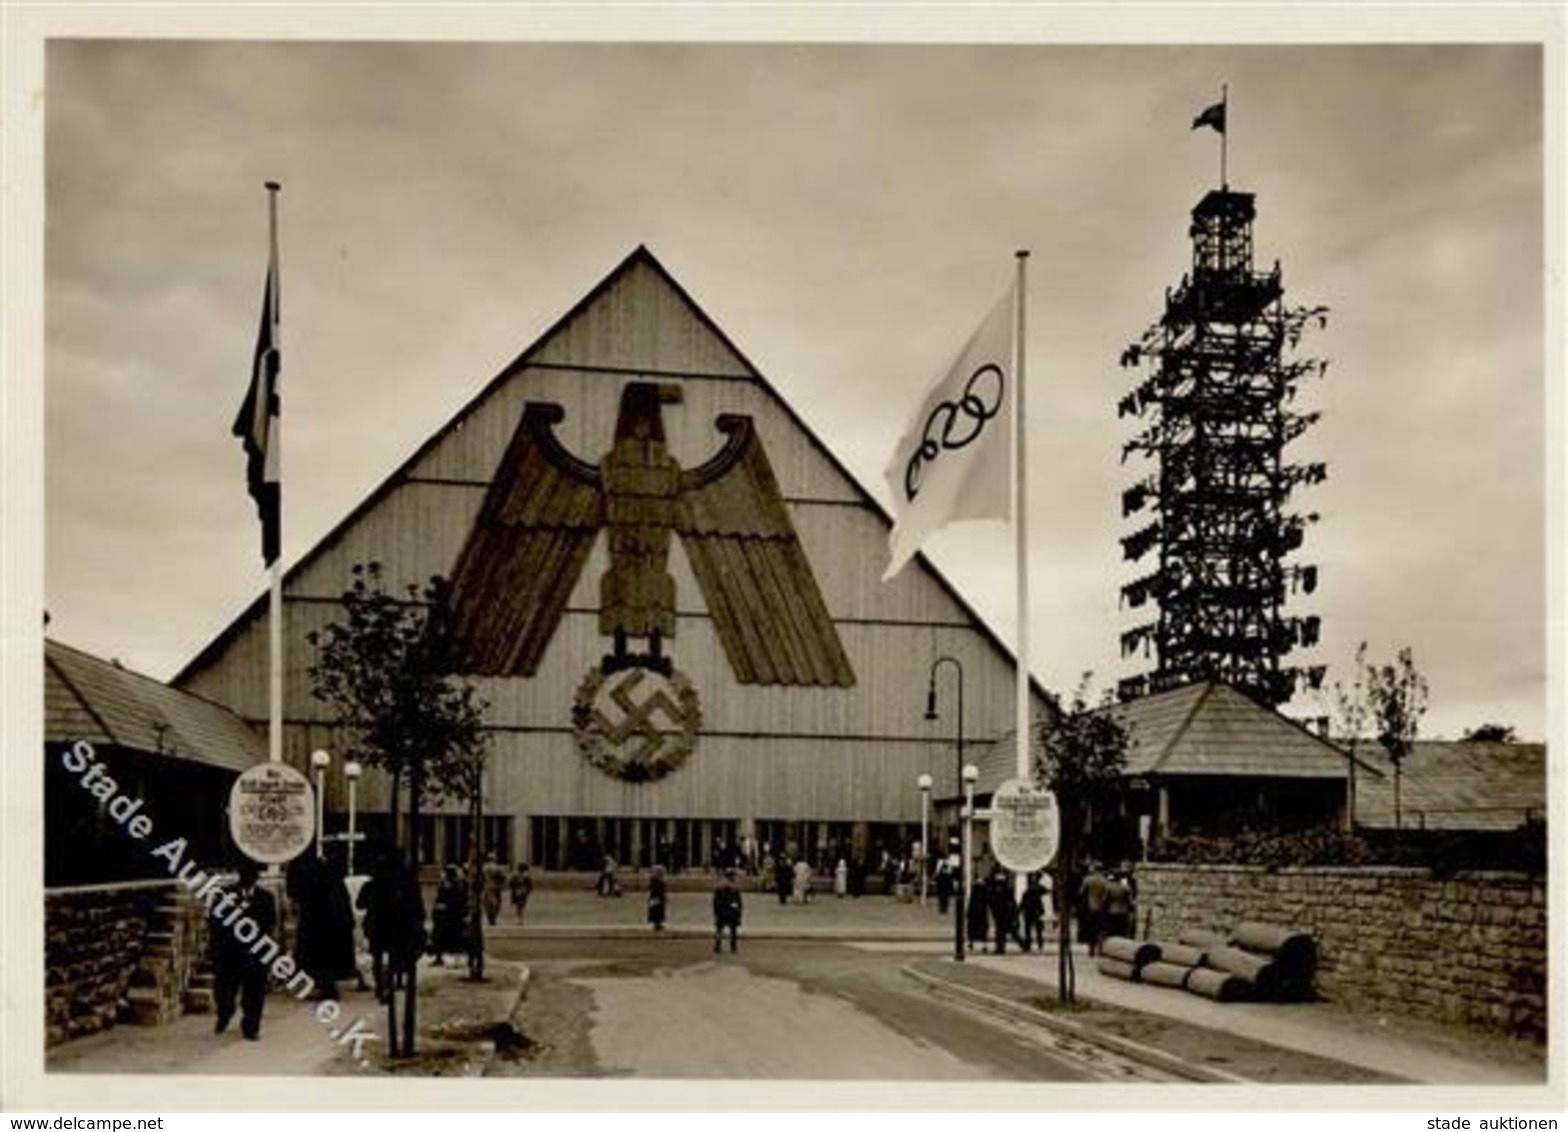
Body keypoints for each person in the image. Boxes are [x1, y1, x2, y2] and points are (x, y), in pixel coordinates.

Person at [211, 858, 276, 1040]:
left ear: (256, 878)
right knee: (225, 990)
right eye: (245, 876)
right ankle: (224, 1014)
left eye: (252, 877)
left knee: (254, 992)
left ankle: (251, 1026)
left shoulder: (266, 898)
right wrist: (217, 949)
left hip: (255, 953)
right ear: (240, 877)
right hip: (230, 952)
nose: (248, 880)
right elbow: (215, 923)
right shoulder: (224, 895)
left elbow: (270, 925)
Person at [286, 853, 357, 1001]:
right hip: (333, 927)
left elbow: (297, 894)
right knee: (326, 960)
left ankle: (326, 989)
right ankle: (326, 988)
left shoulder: (315, 883)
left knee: (318, 960)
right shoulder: (334, 883)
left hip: (318, 928)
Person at [359, 848, 425, 1003]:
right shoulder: (406, 881)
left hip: (377, 925)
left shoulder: (375, 883)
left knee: (377, 956)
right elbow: (416, 904)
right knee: (395, 955)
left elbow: (361, 903)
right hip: (398, 925)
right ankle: (390, 983)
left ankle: (381, 987)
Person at [430, 863, 468, 966]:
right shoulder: (452, 883)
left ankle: (447, 958)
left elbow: (457, 899)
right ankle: (441, 957)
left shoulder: (455, 884)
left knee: (450, 938)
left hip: (452, 915)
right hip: (449, 915)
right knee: (441, 937)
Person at [1080, 862, 1110, 956]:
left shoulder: (1088, 880)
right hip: (1102, 908)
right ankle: (1100, 949)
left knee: (1090, 930)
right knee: (1100, 930)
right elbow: (1107, 895)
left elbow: (1081, 892)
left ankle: (1091, 949)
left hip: (1090, 907)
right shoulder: (1105, 881)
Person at [712, 867, 744, 953]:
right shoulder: (735, 887)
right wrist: (738, 912)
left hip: (721, 909)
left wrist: (716, 911)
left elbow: (715, 901)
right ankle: (733, 947)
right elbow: (738, 901)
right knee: (733, 930)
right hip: (731, 910)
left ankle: (717, 946)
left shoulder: (720, 886)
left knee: (719, 929)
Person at [988, 870, 1018, 956]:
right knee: (1002, 932)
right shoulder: (1006, 890)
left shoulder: (1000, 891)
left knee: (1002, 931)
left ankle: (1000, 948)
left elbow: (1009, 902)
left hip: (1003, 913)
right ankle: (1000, 947)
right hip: (1002, 913)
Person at [1019, 872, 1048, 953]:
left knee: (1031, 930)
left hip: (1032, 911)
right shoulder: (1034, 890)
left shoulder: (1029, 890)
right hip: (1034, 911)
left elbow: (1022, 902)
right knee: (1035, 929)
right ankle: (1037, 944)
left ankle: (1030, 945)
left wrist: (1019, 910)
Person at [965, 879, 991, 954]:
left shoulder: (974, 894)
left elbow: (970, 904)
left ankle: (971, 943)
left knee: (972, 930)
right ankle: (984, 945)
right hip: (982, 914)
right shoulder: (985, 893)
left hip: (974, 914)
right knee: (983, 931)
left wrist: (968, 913)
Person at [481, 854, 507, 926]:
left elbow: (481, 879)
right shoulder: (496, 868)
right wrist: (502, 885)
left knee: (488, 903)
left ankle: (490, 918)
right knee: (496, 903)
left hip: (487, 887)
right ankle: (493, 918)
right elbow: (503, 877)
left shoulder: (484, 868)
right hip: (496, 887)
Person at [647, 864, 668, 931]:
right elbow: (655, 890)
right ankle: (657, 923)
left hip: (657, 898)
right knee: (657, 911)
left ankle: (658, 923)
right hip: (656, 898)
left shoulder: (656, 881)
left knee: (658, 911)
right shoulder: (655, 881)